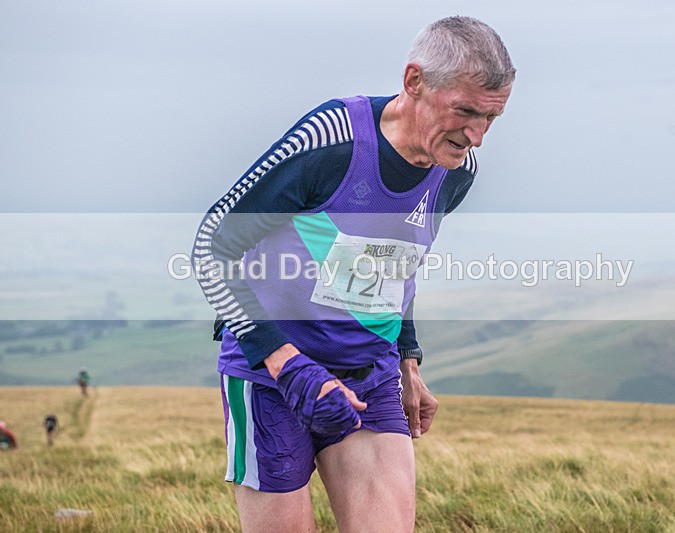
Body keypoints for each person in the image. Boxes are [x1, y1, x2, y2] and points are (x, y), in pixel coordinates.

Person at [192, 16, 514, 532]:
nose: (475, 137)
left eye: (491, 118)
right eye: (465, 112)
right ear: (415, 82)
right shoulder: (331, 140)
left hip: (368, 374)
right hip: (270, 377)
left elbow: (396, 265)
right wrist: (287, 365)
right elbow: (212, 246)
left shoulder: (457, 169)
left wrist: (408, 362)